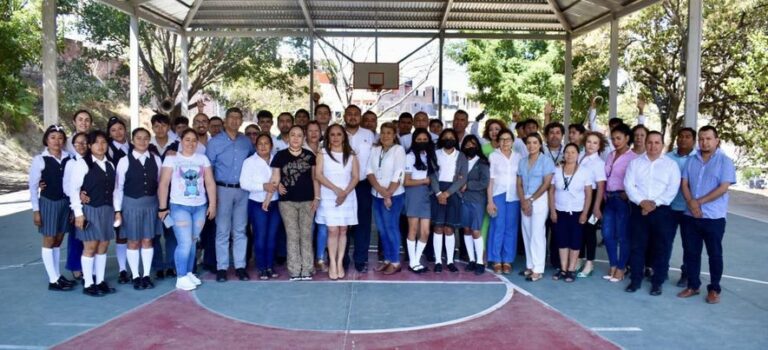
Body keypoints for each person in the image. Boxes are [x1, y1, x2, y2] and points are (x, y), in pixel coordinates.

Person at [677, 126, 735, 304]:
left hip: (714, 218)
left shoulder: (725, 162)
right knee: (691, 253)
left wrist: (698, 202)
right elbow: (684, 184)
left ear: (717, 141)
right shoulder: (691, 160)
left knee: (714, 254)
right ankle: (693, 285)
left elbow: (723, 188)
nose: (704, 142)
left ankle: (714, 289)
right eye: (701, 139)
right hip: (690, 216)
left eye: (708, 138)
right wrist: (691, 203)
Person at [158, 129, 217, 291]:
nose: (190, 143)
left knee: (192, 241)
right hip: (179, 206)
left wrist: (212, 204)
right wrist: (162, 207)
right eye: (187, 139)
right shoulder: (172, 159)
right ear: (181, 141)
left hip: (200, 206)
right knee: (184, 242)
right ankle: (181, 277)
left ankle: (189, 272)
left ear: (197, 143)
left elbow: (209, 182)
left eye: (194, 140)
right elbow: (163, 183)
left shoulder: (202, 159)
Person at [624, 131, 681, 296]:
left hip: (662, 211)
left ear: (662, 145)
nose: (653, 146)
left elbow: (672, 189)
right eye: (650, 142)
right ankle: (635, 280)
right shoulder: (635, 163)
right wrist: (642, 202)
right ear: (645, 143)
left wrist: (653, 204)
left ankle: (657, 282)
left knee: (661, 248)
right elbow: (629, 185)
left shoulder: (671, 165)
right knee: (637, 246)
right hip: (639, 210)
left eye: (657, 142)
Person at [206, 107, 255, 282]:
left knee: (240, 230)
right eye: (231, 117)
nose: (235, 121)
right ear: (225, 120)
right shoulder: (214, 142)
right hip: (222, 189)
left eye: (238, 118)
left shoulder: (246, 142)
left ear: (241, 121)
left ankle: (240, 266)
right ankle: (222, 268)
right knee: (222, 230)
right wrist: (212, 195)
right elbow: (209, 169)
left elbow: (252, 163)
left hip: (243, 191)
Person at [69, 130, 118, 296]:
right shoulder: (82, 164)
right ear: (90, 145)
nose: (100, 146)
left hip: (107, 210)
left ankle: (100, 281)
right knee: (90, 247)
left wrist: (117, 211)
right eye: (96, 142)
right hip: (90, 210)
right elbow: (74, 190)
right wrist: (78, 213)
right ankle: (88, 283)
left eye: (104, 142)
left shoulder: (110, 165)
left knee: (103, 245)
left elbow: (115, 191)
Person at [114, 128, 162, 290]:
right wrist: (118, 210)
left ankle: (146, 275)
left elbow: (160, 184)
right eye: (139, 138)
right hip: (131, 205)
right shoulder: (124, 161)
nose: (142, 141)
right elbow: (118, 188)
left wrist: (161, 206)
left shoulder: (156, 160)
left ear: (150, 140)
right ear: (133, 140)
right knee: (133, 241)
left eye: (146, 138)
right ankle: (135, 275)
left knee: (148, 240)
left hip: (151, 205)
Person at [270, 125, 319, 281]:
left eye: (299, 135)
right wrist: (277, 185)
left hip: (307, 200)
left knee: (306, 235)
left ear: (303, 138)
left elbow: (315, 178)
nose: (296, 138)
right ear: (288, 138)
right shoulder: (280, 155)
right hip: (287, 202)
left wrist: (317, 198)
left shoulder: (310, 155)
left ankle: (307, 269)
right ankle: (295, 270)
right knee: (292, 235)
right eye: (293, 135)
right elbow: (275, 177)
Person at [29, 125, 75, 291]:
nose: (57, 141)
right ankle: (53, 279)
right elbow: (33, 186)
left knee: (58, 239)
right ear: (46, 140)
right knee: (49, 239)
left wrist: (73, 208)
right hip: (49, 202)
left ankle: (57, 274)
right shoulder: (40, 160)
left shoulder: (70, 158)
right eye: (53, 137)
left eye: (60, 138)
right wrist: (36, 210)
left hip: (65, 203)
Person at [316, 124, 360, 279]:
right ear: (327, 137)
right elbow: (318, 175)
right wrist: (336, 190)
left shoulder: (351, 154)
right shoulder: (322, 153)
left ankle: (340, 262)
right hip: (329, 196)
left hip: (347, 195)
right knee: (332, 230)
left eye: (339, 134)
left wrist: (344, 193)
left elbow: (356, 176)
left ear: (344, 137)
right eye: (332, 134)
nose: (335, 137)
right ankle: (332, 263)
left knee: (343, 230)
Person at [549, 143, 592, 283]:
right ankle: (563, 268)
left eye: (573, 152)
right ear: (564, 154)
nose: (570, 155)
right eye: (567, 152)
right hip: (560, 210)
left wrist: (585, 213)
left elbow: (588, 194)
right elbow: (551, 192)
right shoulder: (557, 170)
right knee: (562, 240)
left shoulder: (585, 171)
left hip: (577, 211)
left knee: (575, 241)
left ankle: (571, 269)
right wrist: (552, 211)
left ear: (578, 155)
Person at [240, 132, 281, 280]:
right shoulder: (249, 162)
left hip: (275, 202)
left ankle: (270, 266)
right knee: (260, 235)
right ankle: (262, 267)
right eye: (260, 144)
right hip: (257, 203)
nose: (263, 146)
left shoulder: (277, 159)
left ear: (271, 145)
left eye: (266, 143)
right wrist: (263, 186)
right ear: (256, 146)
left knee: (272, 236)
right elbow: (244, 183)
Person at [367, 122, 405, 275]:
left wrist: (388, 194)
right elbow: (369, 171)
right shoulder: (375, 150)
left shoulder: (398, 150)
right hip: (376, 194)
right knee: (381, 230)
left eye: (389, 133)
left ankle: (395, 262)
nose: (385, 136)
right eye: (383, 132)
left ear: (394, 135)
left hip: (394, 196)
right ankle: (387, 260)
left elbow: (399, 173)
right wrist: (379, 189)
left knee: (391, 228)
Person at [601, 124, 638, 282]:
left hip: (623, 200)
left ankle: (621, 268)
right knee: (607, 234)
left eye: (619, 138)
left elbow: (638, 181)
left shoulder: (634, 158)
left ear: (627, 138)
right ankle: (613, 265)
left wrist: (628, 194)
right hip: (609, 198)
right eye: (613, 139)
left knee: (623, 235)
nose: (615, 142)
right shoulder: (610, 155)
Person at [517, 133, 555, 282]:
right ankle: (530, 265)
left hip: (539, 199)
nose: (531, 145)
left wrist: (531, 200)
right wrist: (523, 200)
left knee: (537, 233)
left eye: (534, 142)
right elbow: (519, 183)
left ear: (540, 144)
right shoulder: (522, 161)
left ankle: (538, 269)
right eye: (528, 142)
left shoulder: (546, 161)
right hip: (524, 199)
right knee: (526, 232)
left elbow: (546, 184)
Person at [430, 128, 468, 273]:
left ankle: (450, 261)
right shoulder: (435, 153)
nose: (448, 139)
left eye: (451, 137)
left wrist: (447, 193)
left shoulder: (461, 155)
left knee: (449, 228)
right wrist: (439, 193)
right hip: (437, 192)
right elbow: (432, 175)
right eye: (445, 137)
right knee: (438, 227)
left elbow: (463, 178)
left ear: (456, 140)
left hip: (453, 192)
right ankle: (438, 261)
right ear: (441, 139)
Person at [344, 105, 376, 273]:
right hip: (342, 185)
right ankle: (342, 259)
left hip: (363, 184)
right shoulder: (338, 133)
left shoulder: (368, 134)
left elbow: (373, 159)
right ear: (344, 116)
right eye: (349, 114)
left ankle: (360, 259)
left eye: (356, 114)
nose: (353, 117)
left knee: (363, 223)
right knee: (343, 224)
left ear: (360, 117)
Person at [486, 128, 521, 274]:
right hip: (498, 195)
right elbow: (490, 180)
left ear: (513, 141)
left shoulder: (518, 156)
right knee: (497, 227)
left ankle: (507, 260)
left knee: (511, 228)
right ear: (498, 141)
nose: (505, 142)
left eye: (508, 139)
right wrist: (490, 201)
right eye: (502, 139)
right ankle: (496, 259)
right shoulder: (493, 156)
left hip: (514, 196)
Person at [149, 114, 180, 278]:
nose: (160, 129)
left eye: (163, 125)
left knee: (171, 231)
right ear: (152, 127)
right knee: (154, 233)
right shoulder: (146, 144)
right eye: (156, 126)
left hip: (172, 194)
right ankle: (158, 266)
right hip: (151, 195)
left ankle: (171, 264)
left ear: (169, 127)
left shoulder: (178, 144)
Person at [403, 128, 437, 273]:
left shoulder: (429, 155)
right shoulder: (410, 156)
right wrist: (424, 181)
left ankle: (416, 260)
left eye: (425, 140)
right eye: (419, 140)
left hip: (426, 194)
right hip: (414, 193)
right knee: (413, 229)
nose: (422, 142)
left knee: (426, 232)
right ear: (414, 141)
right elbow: (406, 181)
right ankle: (413, 262)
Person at [666, 127, 697, 287]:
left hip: (688, 209)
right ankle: (661, 270)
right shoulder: (667, 158)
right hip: (669, 207)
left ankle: (686, 274)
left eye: (687, 136)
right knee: (664, 241)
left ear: (693, 140)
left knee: (689, 245)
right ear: (677, 138)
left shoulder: (699, 158)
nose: (683, 139)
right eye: (681, 136)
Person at [65, 111, 92, 281]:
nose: (84, 122)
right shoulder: (65, 143)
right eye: (80, 119)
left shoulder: (94, 143)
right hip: (75, 200)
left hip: (93, 200)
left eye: (87, 120)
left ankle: (90, 266)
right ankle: (76, 266)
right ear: (74, 122)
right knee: (76, 234)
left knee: (91, 235)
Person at [575, 132, 607, 278]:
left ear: (599, 146)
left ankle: (590, 262)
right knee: (580, 230)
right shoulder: (581, 157)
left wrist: (596, 207)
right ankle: (579, 259)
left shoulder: (599, 163)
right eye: (589, 141)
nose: (591, 145)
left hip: (594, 198)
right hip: (581, 198)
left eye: (595, 143)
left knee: (590, 232)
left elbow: (601, 187)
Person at [105, 117, 131, 284]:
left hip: (132, 196)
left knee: (129, 235)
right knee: (116, 234)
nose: (118, 133)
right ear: (109, 133)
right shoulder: (106, 149)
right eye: (113, 130)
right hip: (112, 197)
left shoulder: (134, 146)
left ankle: (130, 269)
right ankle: (122, 270)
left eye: (120, 128)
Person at [459, 135, 489, 275]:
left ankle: (479, 261)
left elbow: (485, 182)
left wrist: (467, 185)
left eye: (473, 144)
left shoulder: (482, 162)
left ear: (477, 146)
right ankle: (471, 260)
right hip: (463, 199)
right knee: (466, 230)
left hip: (477, 200)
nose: (470, 147)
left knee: (476, 230)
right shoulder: (461, 161)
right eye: (467, 145)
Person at [543, 121, 565, 274]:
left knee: (557, 230)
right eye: (551, 133)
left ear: (562, 135)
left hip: (560, 197)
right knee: (540, 230)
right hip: (541, 195)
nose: (554, 136)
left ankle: (556, 261)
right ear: (546, 136)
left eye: (558, 132)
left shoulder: (568, 151)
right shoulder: (540, 150)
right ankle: (540, 259)